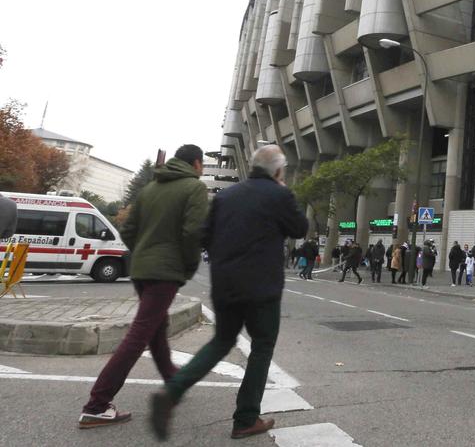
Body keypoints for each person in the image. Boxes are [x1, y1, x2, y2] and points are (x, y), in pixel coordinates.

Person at [149, 144, 307, 441]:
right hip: (262, 286)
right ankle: (246, 418)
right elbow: (300, 228)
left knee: (221, 341)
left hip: (225, 283)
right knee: (262, 346)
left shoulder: (227, 195)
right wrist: (284, 193)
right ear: (278, 170)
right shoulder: (279, 194)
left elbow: (204, 236)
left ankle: (172, 391)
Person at [79, 145, 209, 429]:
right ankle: (96, 405)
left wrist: (143, 253)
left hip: (141, 269)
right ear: (197, 164)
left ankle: (173, 380)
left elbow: (127, 230)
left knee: (156, 328)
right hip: (165, 271)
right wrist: (188, 265)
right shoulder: (194, 188)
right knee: (139, 334)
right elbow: (192, 232)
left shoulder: (150, 188)